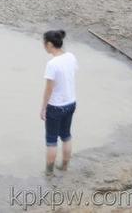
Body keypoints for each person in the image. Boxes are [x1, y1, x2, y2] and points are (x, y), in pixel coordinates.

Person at [40, 29, 78, 175]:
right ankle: (64, 167)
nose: (43, 46)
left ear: (49, 44)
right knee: (66, 135)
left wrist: (43, 108)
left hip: (56, 106)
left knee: (51, 140)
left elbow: (49, 89)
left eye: (44, 43)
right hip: (71, 103)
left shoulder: (52, 64)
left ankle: (49, 173)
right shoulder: (71, 56)